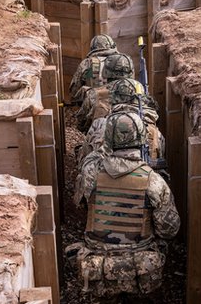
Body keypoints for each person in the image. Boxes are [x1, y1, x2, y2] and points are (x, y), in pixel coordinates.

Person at [73, 110, 179, 300]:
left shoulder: (91, 171)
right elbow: (169, 230)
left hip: (98, 262)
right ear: (141, 138)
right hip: (139, 267)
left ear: (108, 138)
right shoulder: (153, 181)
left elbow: (80, 203)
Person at [80, 78, 166, 171]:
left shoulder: (100, 124)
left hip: (106, 175)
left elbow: (84, 162)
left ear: (115, 98)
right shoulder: (156, 133)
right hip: (146, 177)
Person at [76, 52, 136, 132]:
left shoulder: (95, 94)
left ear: (105, 72)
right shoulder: (140, 92)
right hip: (137, 135)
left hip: (104, 138)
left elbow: (80, 123)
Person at [69, 34, 119, 105]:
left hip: (94, 106)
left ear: (93, 48)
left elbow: (74, 91)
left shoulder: (86, 64)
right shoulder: (121, 62)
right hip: (119, 105)